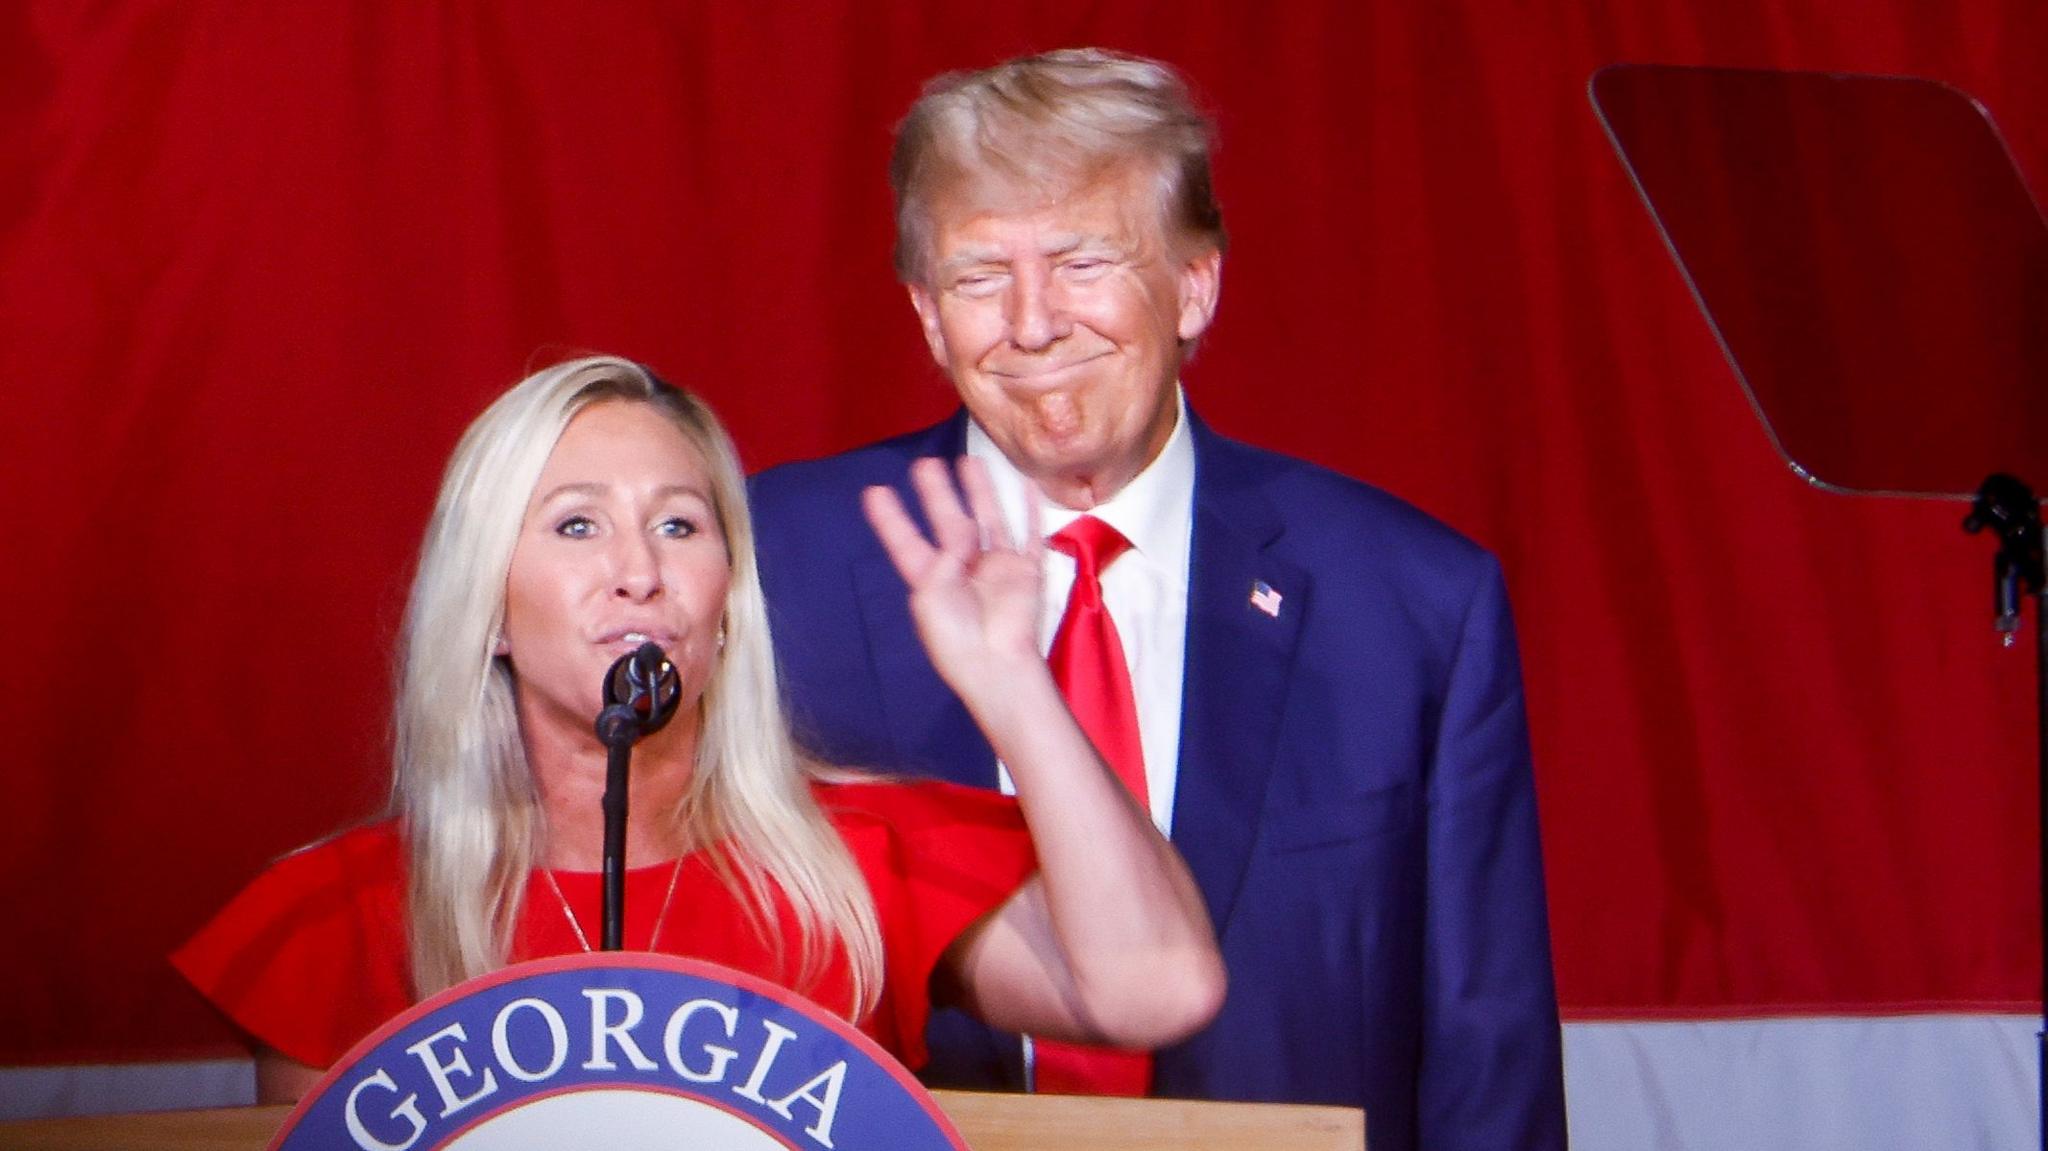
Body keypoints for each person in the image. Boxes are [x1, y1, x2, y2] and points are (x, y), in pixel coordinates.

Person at [748, 48, 1567, 1151]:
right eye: (979, 276)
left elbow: (1485, 1046)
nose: (1032, 324)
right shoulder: (770, 564)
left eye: (1083, 262)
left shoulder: (1412, 602)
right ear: (929, 317)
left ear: (1194, 286)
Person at [173, 355, 1223, 1103]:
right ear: (485, 607)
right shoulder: (337, 919)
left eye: (679, 523)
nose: (640, 569)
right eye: (576, 524)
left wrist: (1010, 683)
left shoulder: (864, 860)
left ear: (726, 602)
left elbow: (1155, 987)